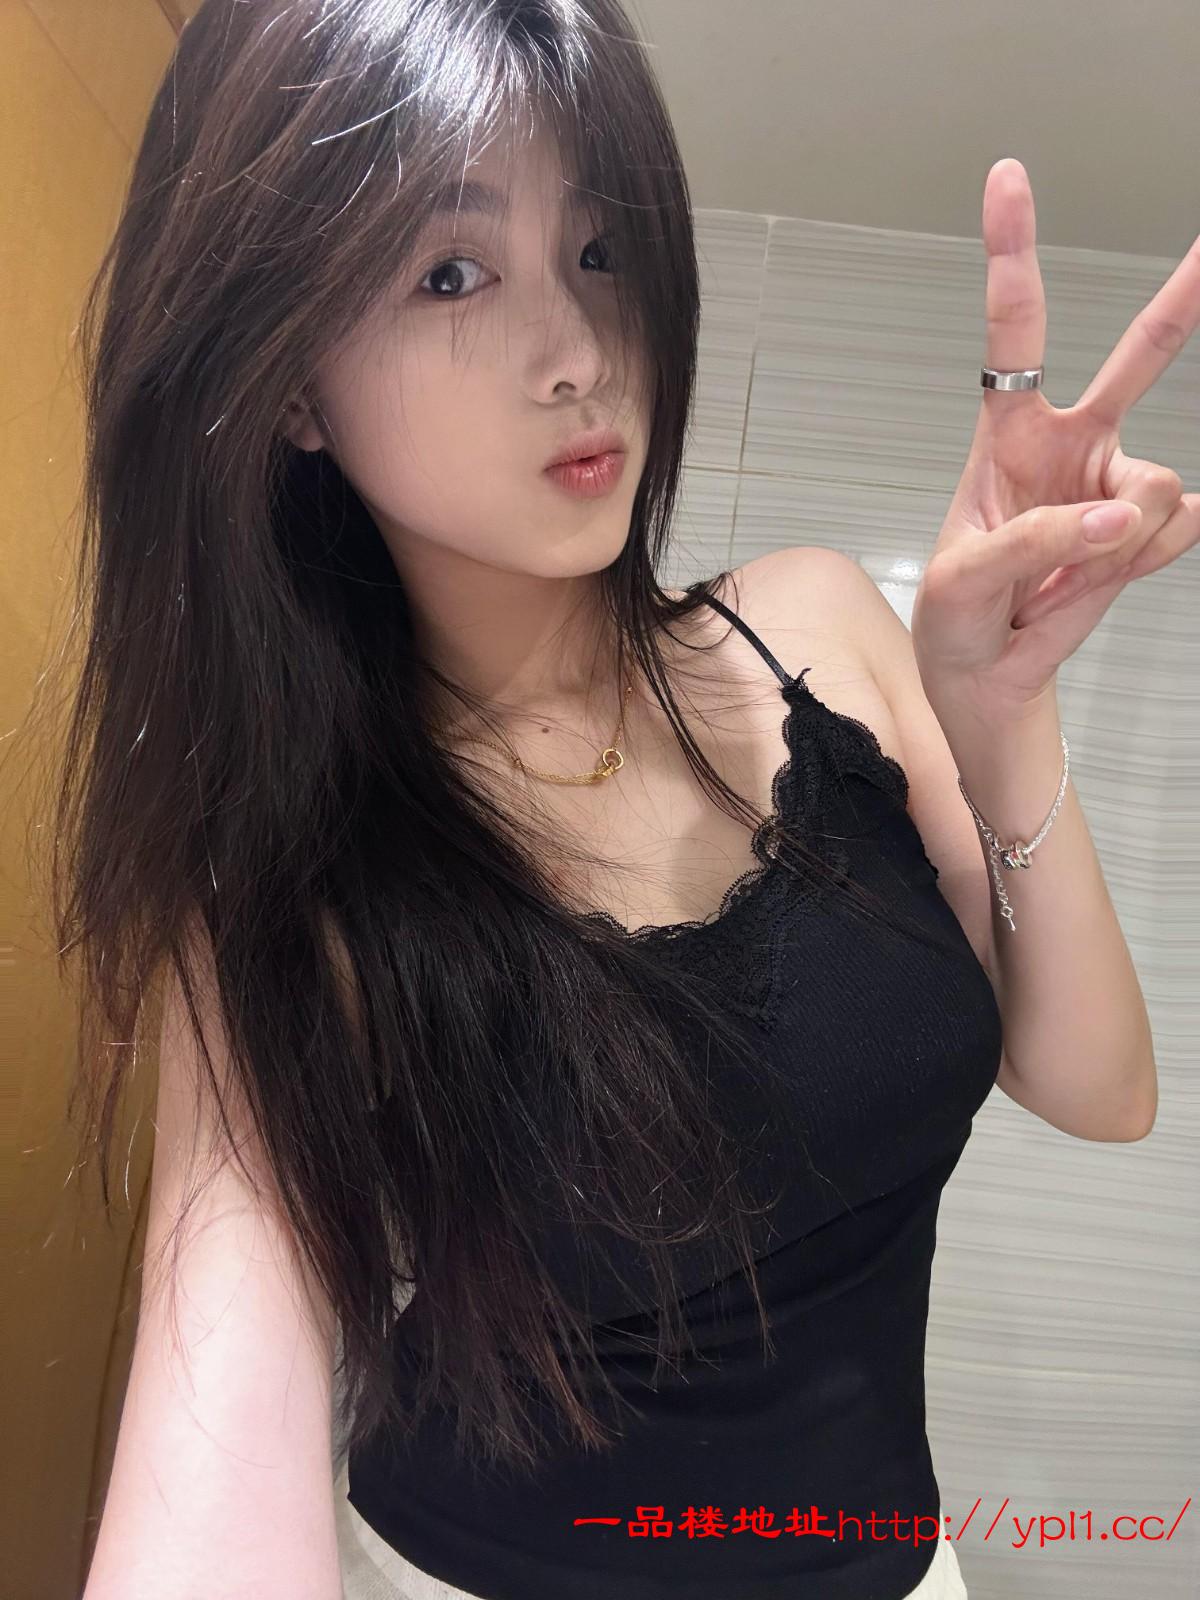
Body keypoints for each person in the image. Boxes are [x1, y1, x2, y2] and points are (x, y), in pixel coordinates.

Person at [64, 3, 987, 1596]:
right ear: (290, 386)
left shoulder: (815, 629)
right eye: (451, 272)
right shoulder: (295, 888)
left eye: (602, 250)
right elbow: (212, 1446)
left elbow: (1091, 1074)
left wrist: (1012, 715)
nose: (580, 353)